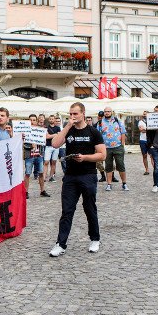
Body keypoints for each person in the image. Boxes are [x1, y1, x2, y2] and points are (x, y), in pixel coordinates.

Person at [48, 102, 106, 257]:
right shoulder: (69, 130)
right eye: (70, 114)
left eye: (75, 113)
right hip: (70, 176)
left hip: (88, 175)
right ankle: (60, 244)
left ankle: (95, 239)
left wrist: (85, 157)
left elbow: (102, 155)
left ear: (83, 113)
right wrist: (67, 126)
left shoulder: (93, 132)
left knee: (89, 208)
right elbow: (55, 144)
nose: (72, 116)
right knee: (67, 210)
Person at [97, 107, 128, 191]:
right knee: (108, 166)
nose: (107, 113)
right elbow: (98, 135)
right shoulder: (100, 122)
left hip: (118, 146)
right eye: (105, 111)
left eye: (108, 111)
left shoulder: (118, 121)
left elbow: (123, 133)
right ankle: (109, 184)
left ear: (112, 112)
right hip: (106, 148)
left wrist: (122, 145)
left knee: (120, 165)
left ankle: (124, 183)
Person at [23, 114, 50, 199]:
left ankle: (42, 191)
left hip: (39, 155)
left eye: (34, 120)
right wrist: (31, 144)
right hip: (29, 155)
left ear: (36, 121)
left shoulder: (40, 130)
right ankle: (26, 192)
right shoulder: (25, 131)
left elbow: (45, 140)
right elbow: (23, 143)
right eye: (30, 120)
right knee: (27, 173)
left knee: (41, 173)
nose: (32, 121)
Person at [44, 114, 61, 181]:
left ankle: (51, 177)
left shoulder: (58, 128)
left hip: (56, 147)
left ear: (54, 120)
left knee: (54, 162)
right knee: (46, 162)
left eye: (52, 119)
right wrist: (55, 134)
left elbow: (59, 137)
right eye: (50, 119)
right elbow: (46, 137)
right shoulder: (46, 128)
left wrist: (50, 135)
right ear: (49, 120)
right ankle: (44, 177)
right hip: (48, 146)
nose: (51, 120)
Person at [138, 111, 150, 175]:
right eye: (144, 114)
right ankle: (147, 170)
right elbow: (141, 130)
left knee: (153, 156)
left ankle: (156, 170)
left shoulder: (152, 121)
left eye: (146, 114)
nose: (144, 115)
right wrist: (149, 130)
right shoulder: (140, 122)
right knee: (144, 155)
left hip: (150, 140)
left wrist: (145, 129)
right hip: (143, 140)